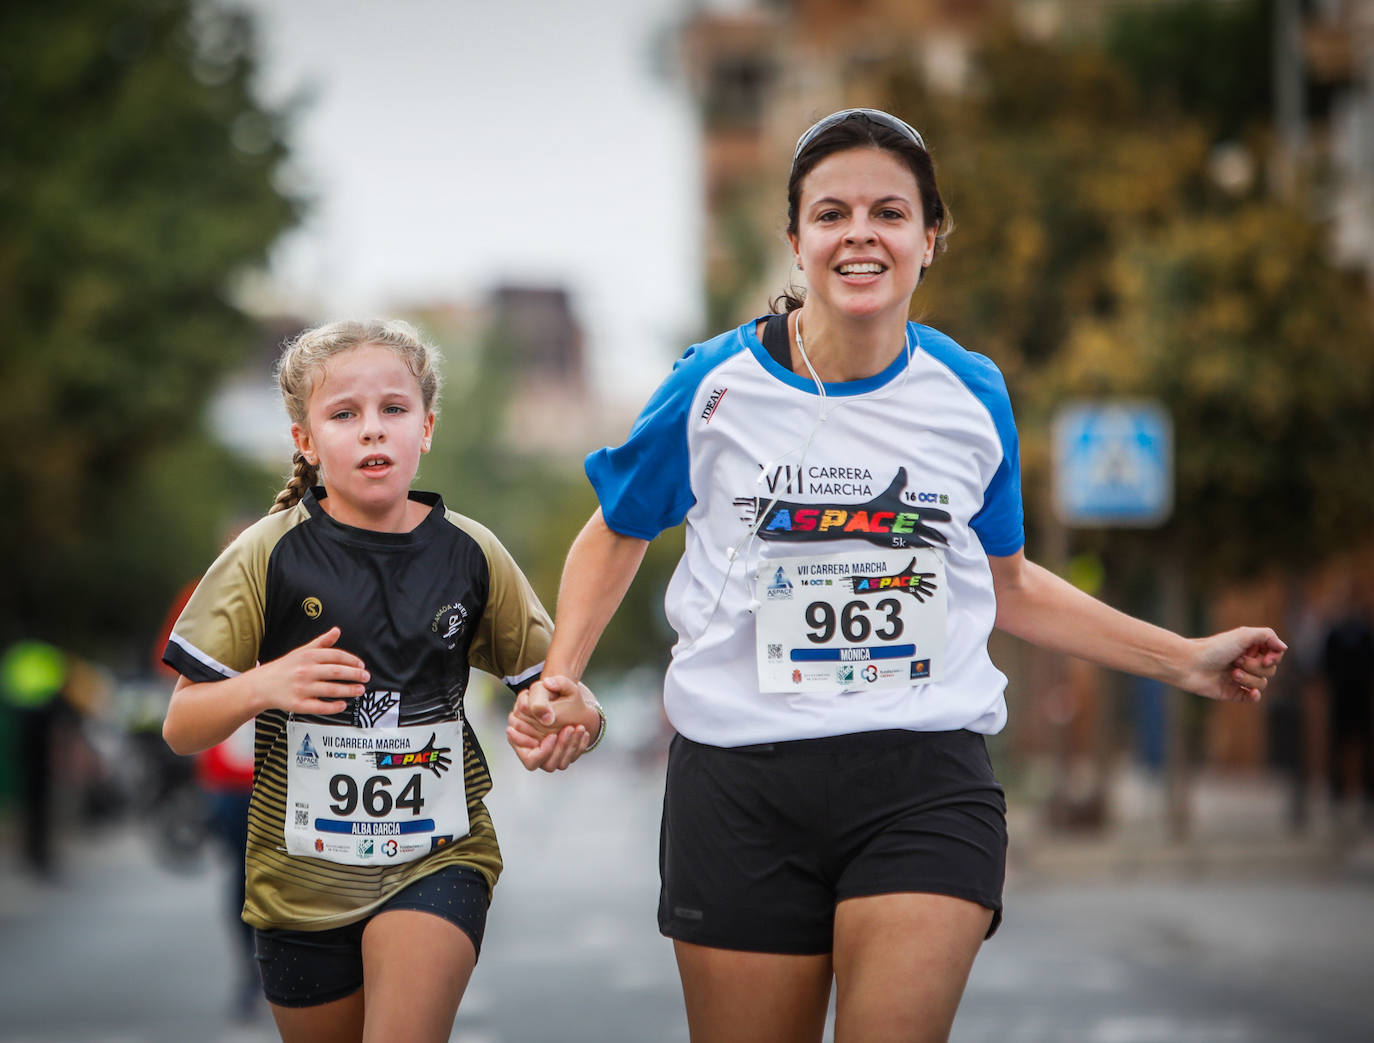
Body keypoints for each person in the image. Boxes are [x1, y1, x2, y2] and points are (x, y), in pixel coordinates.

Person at [505, 109, 1286, 1043]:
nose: (860, 233)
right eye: (831, 214)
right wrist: (562, 677)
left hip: (924, 776)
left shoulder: (971, 394)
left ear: (929, 238)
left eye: (889, 211)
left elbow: (1014, 586)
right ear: (796, 243)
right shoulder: (714, 385)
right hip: (740, 786)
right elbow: (617, 528)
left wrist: (1187, 657)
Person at [161, 319, 595, 1043]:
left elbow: (558, 693)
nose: (372, 431)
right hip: (301, 878)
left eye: (394, 410)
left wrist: (575, 719)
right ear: (305, 440)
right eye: (344, 414)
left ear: (426, 428)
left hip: (439, 856)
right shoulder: (266, 554)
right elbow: (182, 725)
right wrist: (267, 683)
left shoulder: (471, 552)